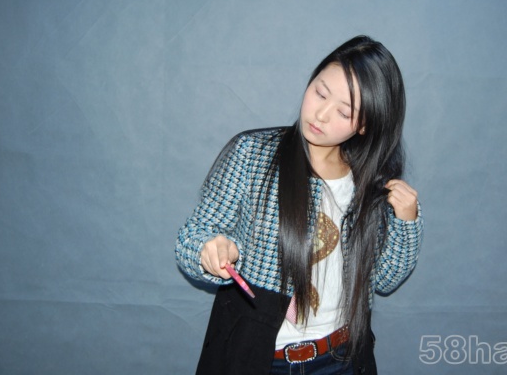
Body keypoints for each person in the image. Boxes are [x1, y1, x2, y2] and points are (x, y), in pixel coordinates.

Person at [175, 35, 424, 375]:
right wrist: (209, 249)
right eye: (320, 92)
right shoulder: (253, 154)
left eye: (344, 111)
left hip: (343, 357)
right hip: (261, 359)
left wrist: (406, 221)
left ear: (365, 125)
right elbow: (192, 237)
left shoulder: (369, 184)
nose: (321, 114)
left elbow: (385, 279)